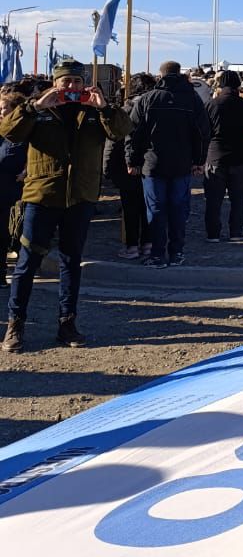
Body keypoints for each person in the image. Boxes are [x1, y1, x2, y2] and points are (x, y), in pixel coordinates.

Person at [1, 61, 131, 352]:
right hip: (42, 196)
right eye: (65, 82)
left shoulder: (94, 112)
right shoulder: (40, 109)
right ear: (55, 83)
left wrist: (106, 108)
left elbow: (122, 131)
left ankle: (67, 323)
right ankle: (15, 324)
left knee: (71, 261)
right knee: (27, 263)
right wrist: (34, 106)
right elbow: (9, 132)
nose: (71, 87)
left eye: (76, 81)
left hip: (80, 197)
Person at [126, 61, 210, 267]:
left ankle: (157, 254)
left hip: (152, 164)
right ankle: (177, 252)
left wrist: (132, 160)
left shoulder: (148, 99)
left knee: (155, 209)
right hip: (182, 163)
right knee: (178, 210)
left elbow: (134, 133)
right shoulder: (192, 99)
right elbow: (202, 132)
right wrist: (199, 160)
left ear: (160, 75)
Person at [104, 72, 154, 261]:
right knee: (148, 206)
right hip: (150, 165)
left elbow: (113, 142)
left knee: (130, 209)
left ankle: (132, 246)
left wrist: (107, 169)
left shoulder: (123, 110)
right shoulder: (155, 109)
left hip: (126, 168)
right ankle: (148, 244)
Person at [204, 70, 243, 241]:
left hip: (215, 156)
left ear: (220, 85)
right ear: (238, 85)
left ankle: (213, 234)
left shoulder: (211, 105)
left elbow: (203, 132)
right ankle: (236, 232)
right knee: (238, 199)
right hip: (240, 156)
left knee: (213, 200)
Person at [0, 85, 28, 286]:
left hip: (15, 188)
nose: (1, 112)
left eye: (4, 108)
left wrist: (27, 170)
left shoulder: (26, 130)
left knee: (7, 231)